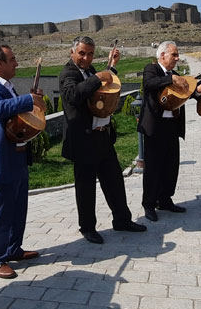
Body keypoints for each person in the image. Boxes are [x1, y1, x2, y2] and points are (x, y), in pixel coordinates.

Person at [59, 36, 147, 244]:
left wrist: (111, 67)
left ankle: (122, 219)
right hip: (83, 141)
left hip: (102, 137)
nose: (86, 58)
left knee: (114, 181)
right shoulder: (68, 73)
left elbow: (102, 87)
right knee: (86, 186)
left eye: (90, 54)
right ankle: (87, 227)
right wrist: (99, 76)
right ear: (72, 53)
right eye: (82, 53)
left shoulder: (89, 71)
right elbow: (73, 95)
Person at [0, 45, 43, 279]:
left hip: (16, 156)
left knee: (18, 207)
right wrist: (28, 100)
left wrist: (33, 102)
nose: (16, 63)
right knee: (3, 209)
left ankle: (13, 248)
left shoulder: (8, 86)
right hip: (0, 160)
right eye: (12, 60)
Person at [137, 41, 201, 221]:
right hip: (155, 128)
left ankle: (165, 199)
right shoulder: (152, 69)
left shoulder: (176, 75)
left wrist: (199, 89)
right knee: (153, 168)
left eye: (178, 55)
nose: (177, 58)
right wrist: (172, 79)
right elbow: (149, 84)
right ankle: (149, 204)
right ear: (162, 55)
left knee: (170, 165)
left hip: (172, 127)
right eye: (174, 55)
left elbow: (188, 90)